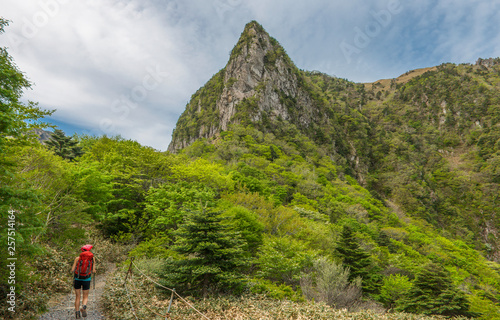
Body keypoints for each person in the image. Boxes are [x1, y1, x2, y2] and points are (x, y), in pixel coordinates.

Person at [71, 244, 96, 319]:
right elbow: (93, 271)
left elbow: (72, 270)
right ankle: (84, 307)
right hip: (87, 279)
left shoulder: (77, 258)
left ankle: (77, 312)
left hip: (77, 278)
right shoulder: (92, 258)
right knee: (85, 296)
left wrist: (73, 271)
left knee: (77, 296)